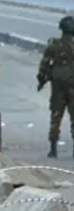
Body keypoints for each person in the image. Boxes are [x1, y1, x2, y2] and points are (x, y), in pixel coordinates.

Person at [40, 16, 74, 158]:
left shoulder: (54, 45)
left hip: (58, 86)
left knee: (55, 116)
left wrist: (42, 79)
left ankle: (53, 149)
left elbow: (44, 65)